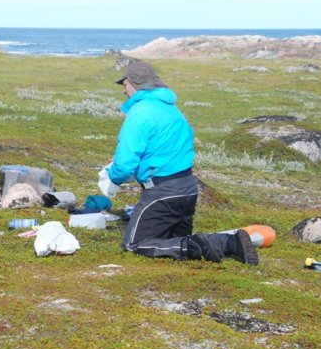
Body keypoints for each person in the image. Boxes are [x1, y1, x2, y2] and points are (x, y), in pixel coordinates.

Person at [101, 61, 258, 265]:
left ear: (133, 83)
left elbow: (125, 164)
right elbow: (163, 151)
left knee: (135, 245)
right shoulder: (172, 109)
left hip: (162, 194)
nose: (124, 91)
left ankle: (210, 244)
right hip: (187, 190)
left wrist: (111, 176)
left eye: (124, 85)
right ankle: (229, 243)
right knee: (169, 241)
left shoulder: (140, 112)